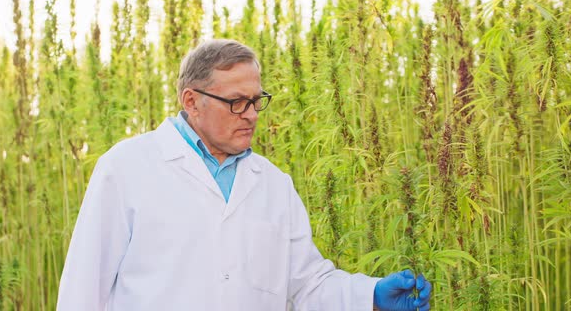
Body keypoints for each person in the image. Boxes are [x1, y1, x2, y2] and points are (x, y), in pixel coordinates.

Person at [57, 39, 432, 311]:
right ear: (192, 101)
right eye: (237, 102)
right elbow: (82, 290)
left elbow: (306, 285)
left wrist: (370, 296)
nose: (251, 114)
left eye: (256, 101)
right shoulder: (127, 168)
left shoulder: (273, 184)